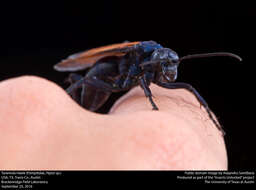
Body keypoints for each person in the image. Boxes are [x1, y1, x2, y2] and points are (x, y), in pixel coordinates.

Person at [0, 76, 227, 170]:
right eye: (165, 66)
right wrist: (151, 102)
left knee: (188, 89)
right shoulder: (139, 68)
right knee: (90, 78)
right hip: (107, 81)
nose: (169, 73)